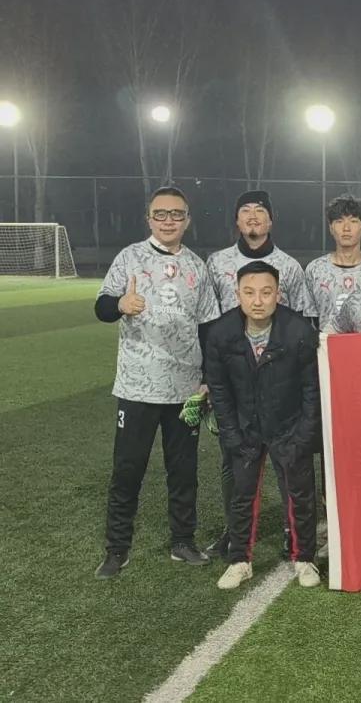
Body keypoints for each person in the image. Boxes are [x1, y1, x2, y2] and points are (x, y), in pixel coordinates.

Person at [93, 186, 220, 579]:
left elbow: (209, 327)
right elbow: (102, 306)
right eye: (161, 214)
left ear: (187, 220)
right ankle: (117, 549)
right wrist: (120, 304)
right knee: (127, 470)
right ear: (149, 218)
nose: (168, 221)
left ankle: (183, 541)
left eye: (176, 214)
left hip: (184, 389)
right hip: (137, 387)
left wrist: (207, 379)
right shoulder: (129, 257)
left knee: (183, 471)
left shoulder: (197, 267)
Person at [205, 190, 311, 559]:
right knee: (234, 458)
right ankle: (232, 531)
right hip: (235, 376)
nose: (253, 217)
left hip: (281, 382)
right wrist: (210, 375)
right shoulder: (217, 262)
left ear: (271, 220)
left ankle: (290, 530)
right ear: (236, 220)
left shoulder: (289, 266)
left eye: (260, 211)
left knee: (288, 463)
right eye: (245, 211)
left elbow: (301, 322)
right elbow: (209, 320)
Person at [203, 261, 322, 590]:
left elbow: (312, 390)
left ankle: (304, 558)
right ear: (237, 294)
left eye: (266, 293)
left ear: (278, 294)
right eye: (249, 292)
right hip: (245, 426)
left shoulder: (299, 331)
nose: (258, 300)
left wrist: (303, 435)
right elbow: (219, 390)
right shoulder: (220, 333)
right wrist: (231, 433)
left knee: (300, 495)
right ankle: (240, 561)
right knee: (242, 495)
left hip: (288, 424)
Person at [305, 195, 361, 332]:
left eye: (353, 221)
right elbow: (309, 319)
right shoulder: (315, 269)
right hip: (326, 343)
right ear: (331, 228)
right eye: (339, 221)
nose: (346, 228)